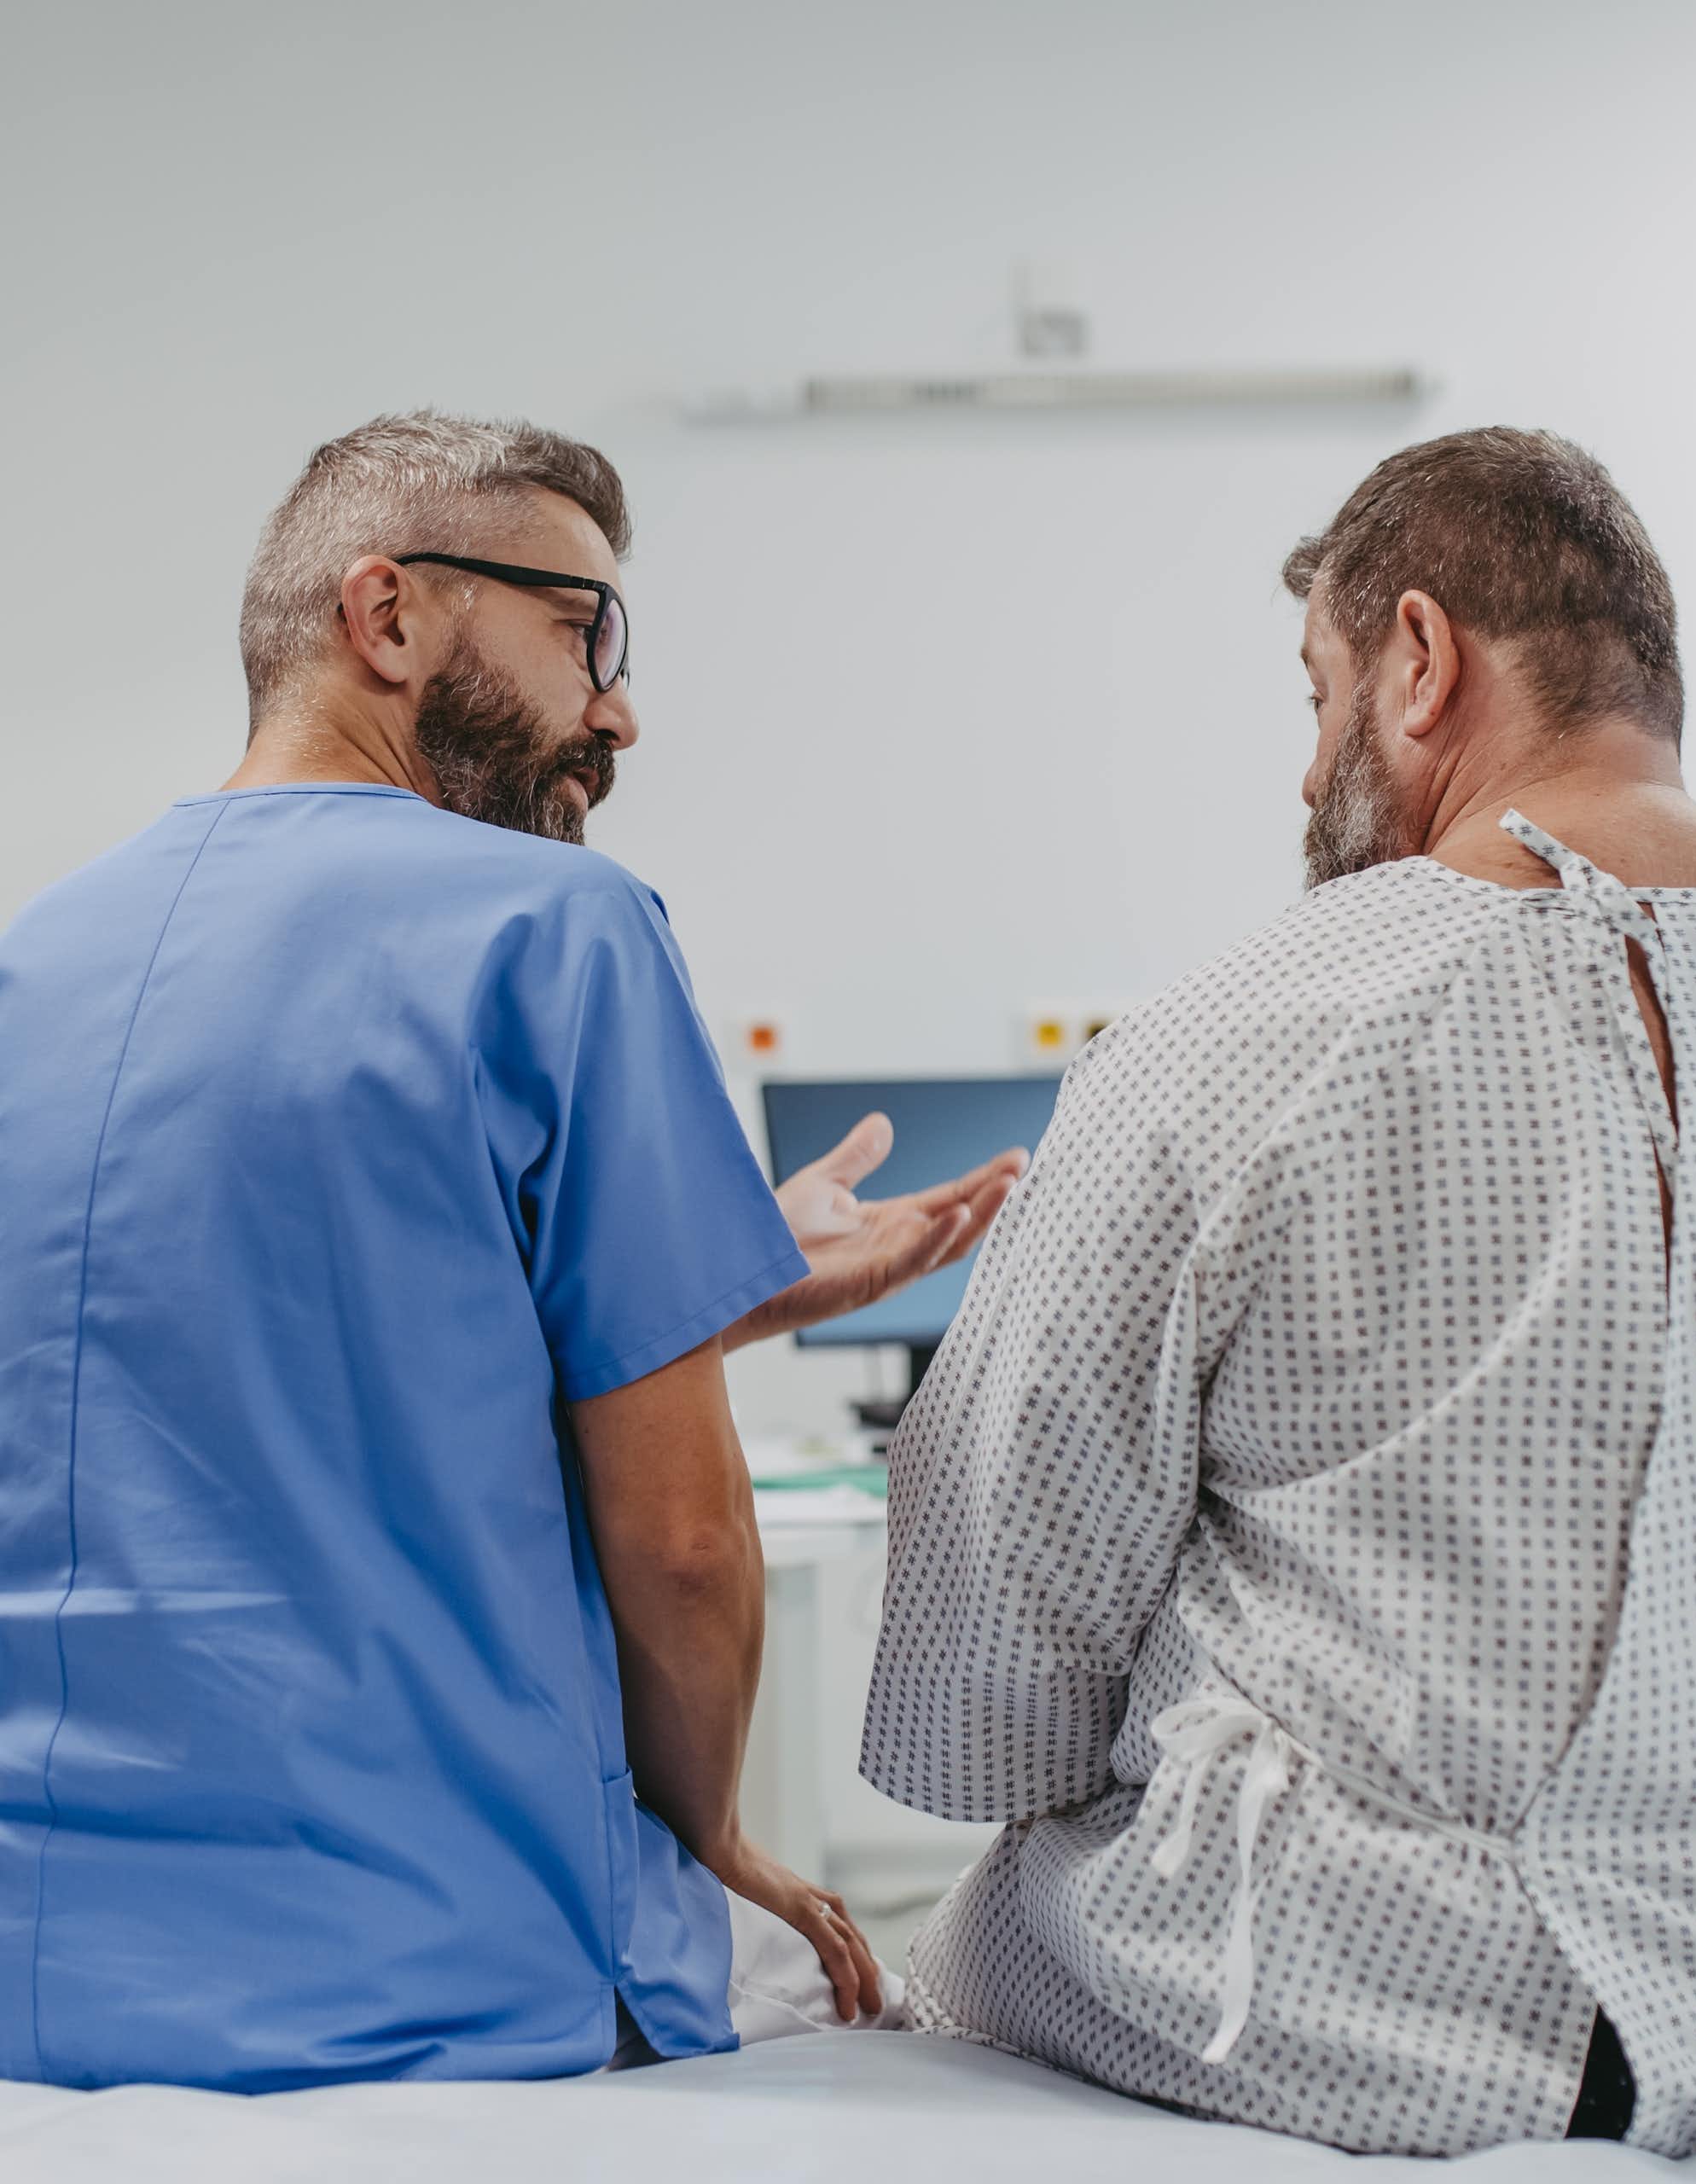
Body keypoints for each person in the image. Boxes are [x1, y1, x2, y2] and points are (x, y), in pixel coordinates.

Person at [861, 428, 1696, 2158]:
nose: (1310, 768)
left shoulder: (1236, 1037)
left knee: (971, 1919)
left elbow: (980, 1685)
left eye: (1319, 691)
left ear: (1418, 658)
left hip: (1435, 2023)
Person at [0, 412, 1023, 2091]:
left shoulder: (38, 951)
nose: (617, 706)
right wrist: (706, 1835)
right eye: (581, 631)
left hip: (47, 1979)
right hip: (421, 1969)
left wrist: (719, 1292)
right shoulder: (560, 926)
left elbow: (260, 1373)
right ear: (387, 613)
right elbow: (682, 1542)